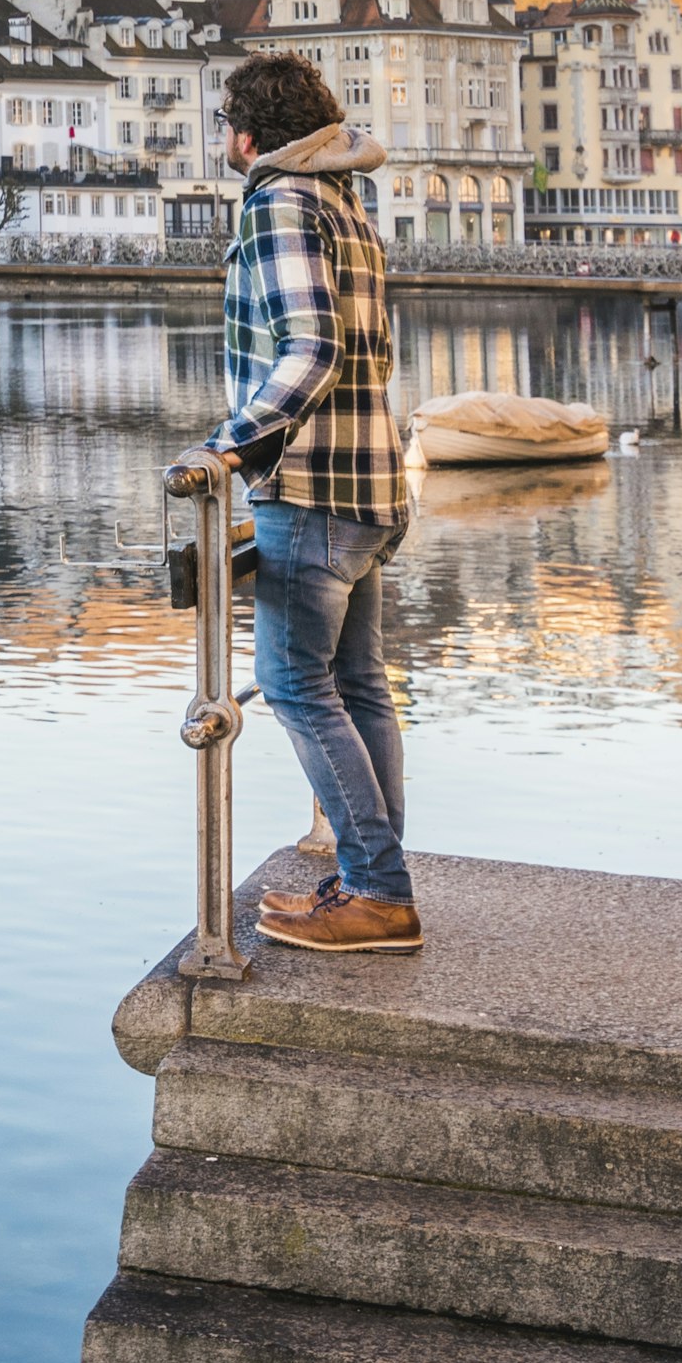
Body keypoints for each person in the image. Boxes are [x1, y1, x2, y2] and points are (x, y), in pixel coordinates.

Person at [187, 51, 420, 954]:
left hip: (312, 483)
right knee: (359, 686)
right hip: (369, 479)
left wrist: (233, 440)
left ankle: (378, 889)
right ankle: (369, 880)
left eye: (228, 130)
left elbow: (311, 350)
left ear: (247, 136)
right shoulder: (346, 204)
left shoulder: (278, 201)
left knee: (291, 684)